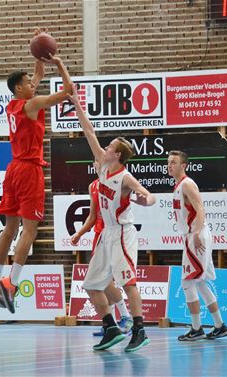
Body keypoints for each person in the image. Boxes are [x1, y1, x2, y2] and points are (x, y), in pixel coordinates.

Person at [0, 29, 73, 313]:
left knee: (9, 229)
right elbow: (68, 92)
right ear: (19, 89)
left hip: (12, 169)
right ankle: (12, 282)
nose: (33, 85)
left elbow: (36, 76)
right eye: (28, 84)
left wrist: (39, 56)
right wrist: (60, 66)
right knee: (30, 230)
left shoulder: (15, 105)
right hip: (29, 170)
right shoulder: (33, 104)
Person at [69, 87, 156, 352]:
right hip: (106, 234)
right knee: (92, 285)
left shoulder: (126, 177)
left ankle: (139, 329)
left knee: (129, 282)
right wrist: (77, 105)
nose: (104, 148)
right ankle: (111, 327)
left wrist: (143, 199)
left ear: (117, 155)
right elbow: (89, 132)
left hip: (122, 233)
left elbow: (149, 196)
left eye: (110, 147)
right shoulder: (102, 166)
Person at [167, 150, 227, 341]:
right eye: (169, 162)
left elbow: (200, 207)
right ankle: (219, 325)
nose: (170, 166)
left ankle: (196, 328)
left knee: (187, 282)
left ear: (184, 165)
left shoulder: (187, 184)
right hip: (192, 234)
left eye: (174, 163)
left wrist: (195, 232)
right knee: (200, 282)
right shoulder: (179, 185)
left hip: (197, 235)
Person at [70, 174, 133, 336]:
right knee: (101, 282)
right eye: (96, 162)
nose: (99, 165)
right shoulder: (93, 186)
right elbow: (92, 216)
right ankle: (110, 324)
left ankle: (126, 316)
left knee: (107, 281)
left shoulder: (116, 182)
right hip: (100, 236)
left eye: (101, 161)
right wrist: (79, 234)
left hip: (115, 234)